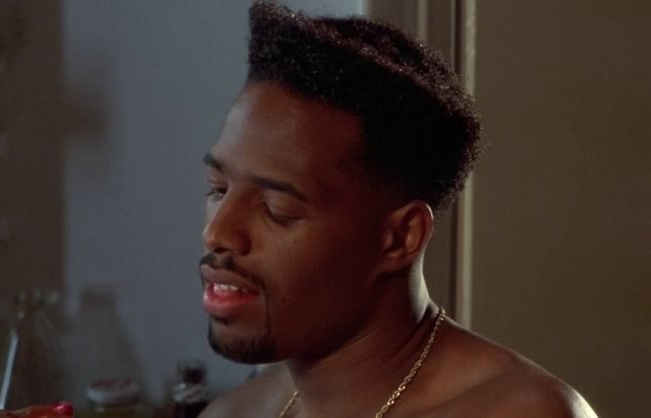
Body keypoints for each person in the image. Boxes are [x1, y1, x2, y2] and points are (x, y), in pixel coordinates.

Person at [198, 2, 597, 417]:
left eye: (276, 209)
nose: (217, 233)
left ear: (401, 237)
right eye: (217, 189)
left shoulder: (523, 412)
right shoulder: (231, 414)